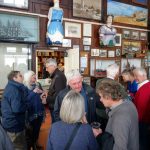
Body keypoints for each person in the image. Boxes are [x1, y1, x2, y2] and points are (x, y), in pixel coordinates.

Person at [95, 80, 139, 150]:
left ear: (108, 97)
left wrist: (99, 136)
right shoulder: (128, 103)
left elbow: (120, 147)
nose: (100, 99)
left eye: (101, 97)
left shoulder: (120, 118)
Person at [1, 71, 28, 150]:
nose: (22, 77)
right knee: (18, 146)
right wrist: (27, 105)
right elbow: (17, 109)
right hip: (14, 125)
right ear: (14, 78)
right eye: (20, 76)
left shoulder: (13, 87)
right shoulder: (14, 90)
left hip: (12, 123)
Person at [24, 70, 45, 150]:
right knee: (30, 131)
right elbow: (25, 100)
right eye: (33, 76)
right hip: (30, 112)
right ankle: (30, 145)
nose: (35, 78)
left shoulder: (38, 84)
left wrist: (42, 94)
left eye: (35, 76)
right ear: (28, 78)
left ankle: (35, 143)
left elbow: (42, 94)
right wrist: (33, 92)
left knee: (37, 128)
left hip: (39, 110)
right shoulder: (25, 87)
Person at [133, 68, 150, 150]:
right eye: (134, 75)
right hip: (144, 122)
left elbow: (141, 109)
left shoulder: (145, 88)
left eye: (136, 75)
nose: (135, 77)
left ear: (144, 75)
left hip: (143, 123)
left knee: (143, 144)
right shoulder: (145, 86)